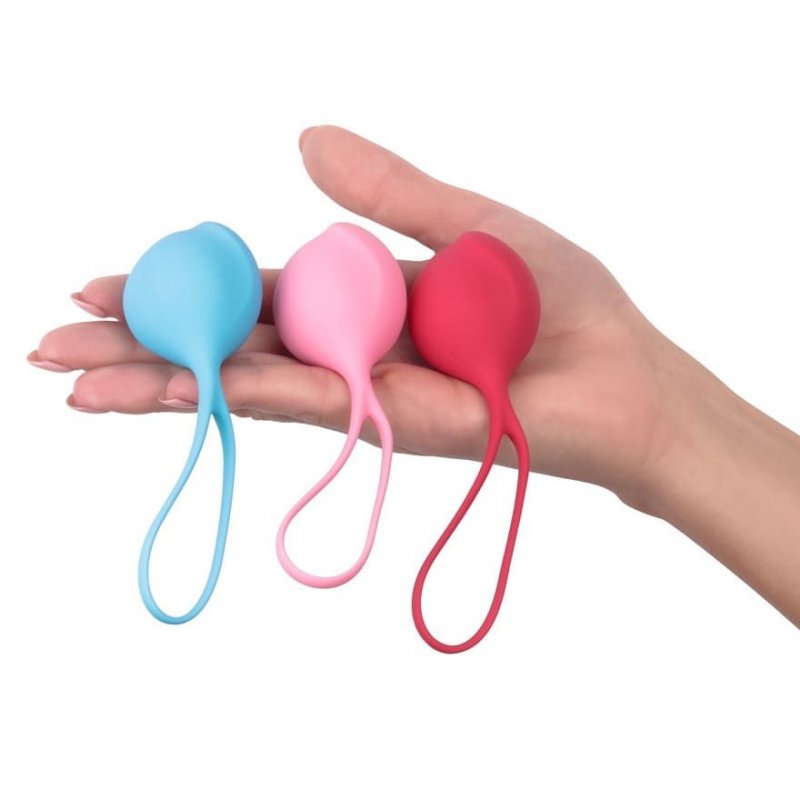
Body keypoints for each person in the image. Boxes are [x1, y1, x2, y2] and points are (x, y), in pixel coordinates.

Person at [27, 125, 800, 629]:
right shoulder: (318, 303)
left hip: (353, 338)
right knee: (218, 415)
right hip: (327, 335)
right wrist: (669, 431)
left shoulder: (361, 305)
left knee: (217, 416)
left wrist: (666, 429)